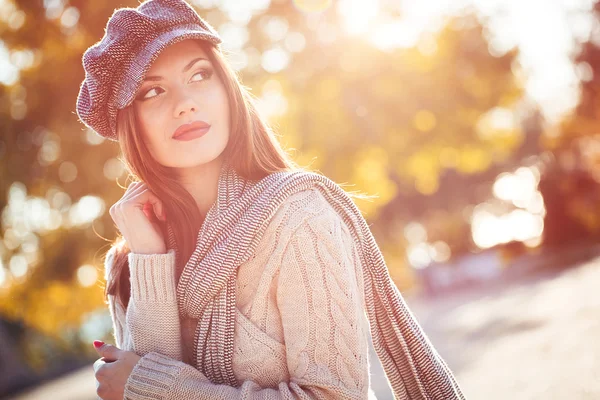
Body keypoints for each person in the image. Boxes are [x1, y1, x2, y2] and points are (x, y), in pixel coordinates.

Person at [76, 0, 467, 399]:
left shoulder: (298, 218)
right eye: (153, 91)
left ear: (227, 89)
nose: (185, 102)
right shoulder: (131, 257)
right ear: (130, 123)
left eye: (199, 74)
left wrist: (155, 388)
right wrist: (151, 261)